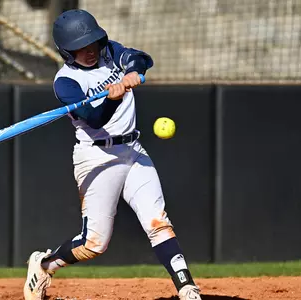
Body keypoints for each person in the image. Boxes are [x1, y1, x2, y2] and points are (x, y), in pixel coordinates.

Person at [23, 9, 202, 300]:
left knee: (158, 221)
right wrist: (113, 98)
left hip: (133, 151)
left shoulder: (110, 51)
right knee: (94, 244)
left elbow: (142, 59)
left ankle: (187, 288)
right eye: (80, 48)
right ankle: (44, 265)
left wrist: (134, 72)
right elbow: (94, 118)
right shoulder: (65, 82)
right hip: (97, 159)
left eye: (92, 42)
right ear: (67, 52)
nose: (89, 51)